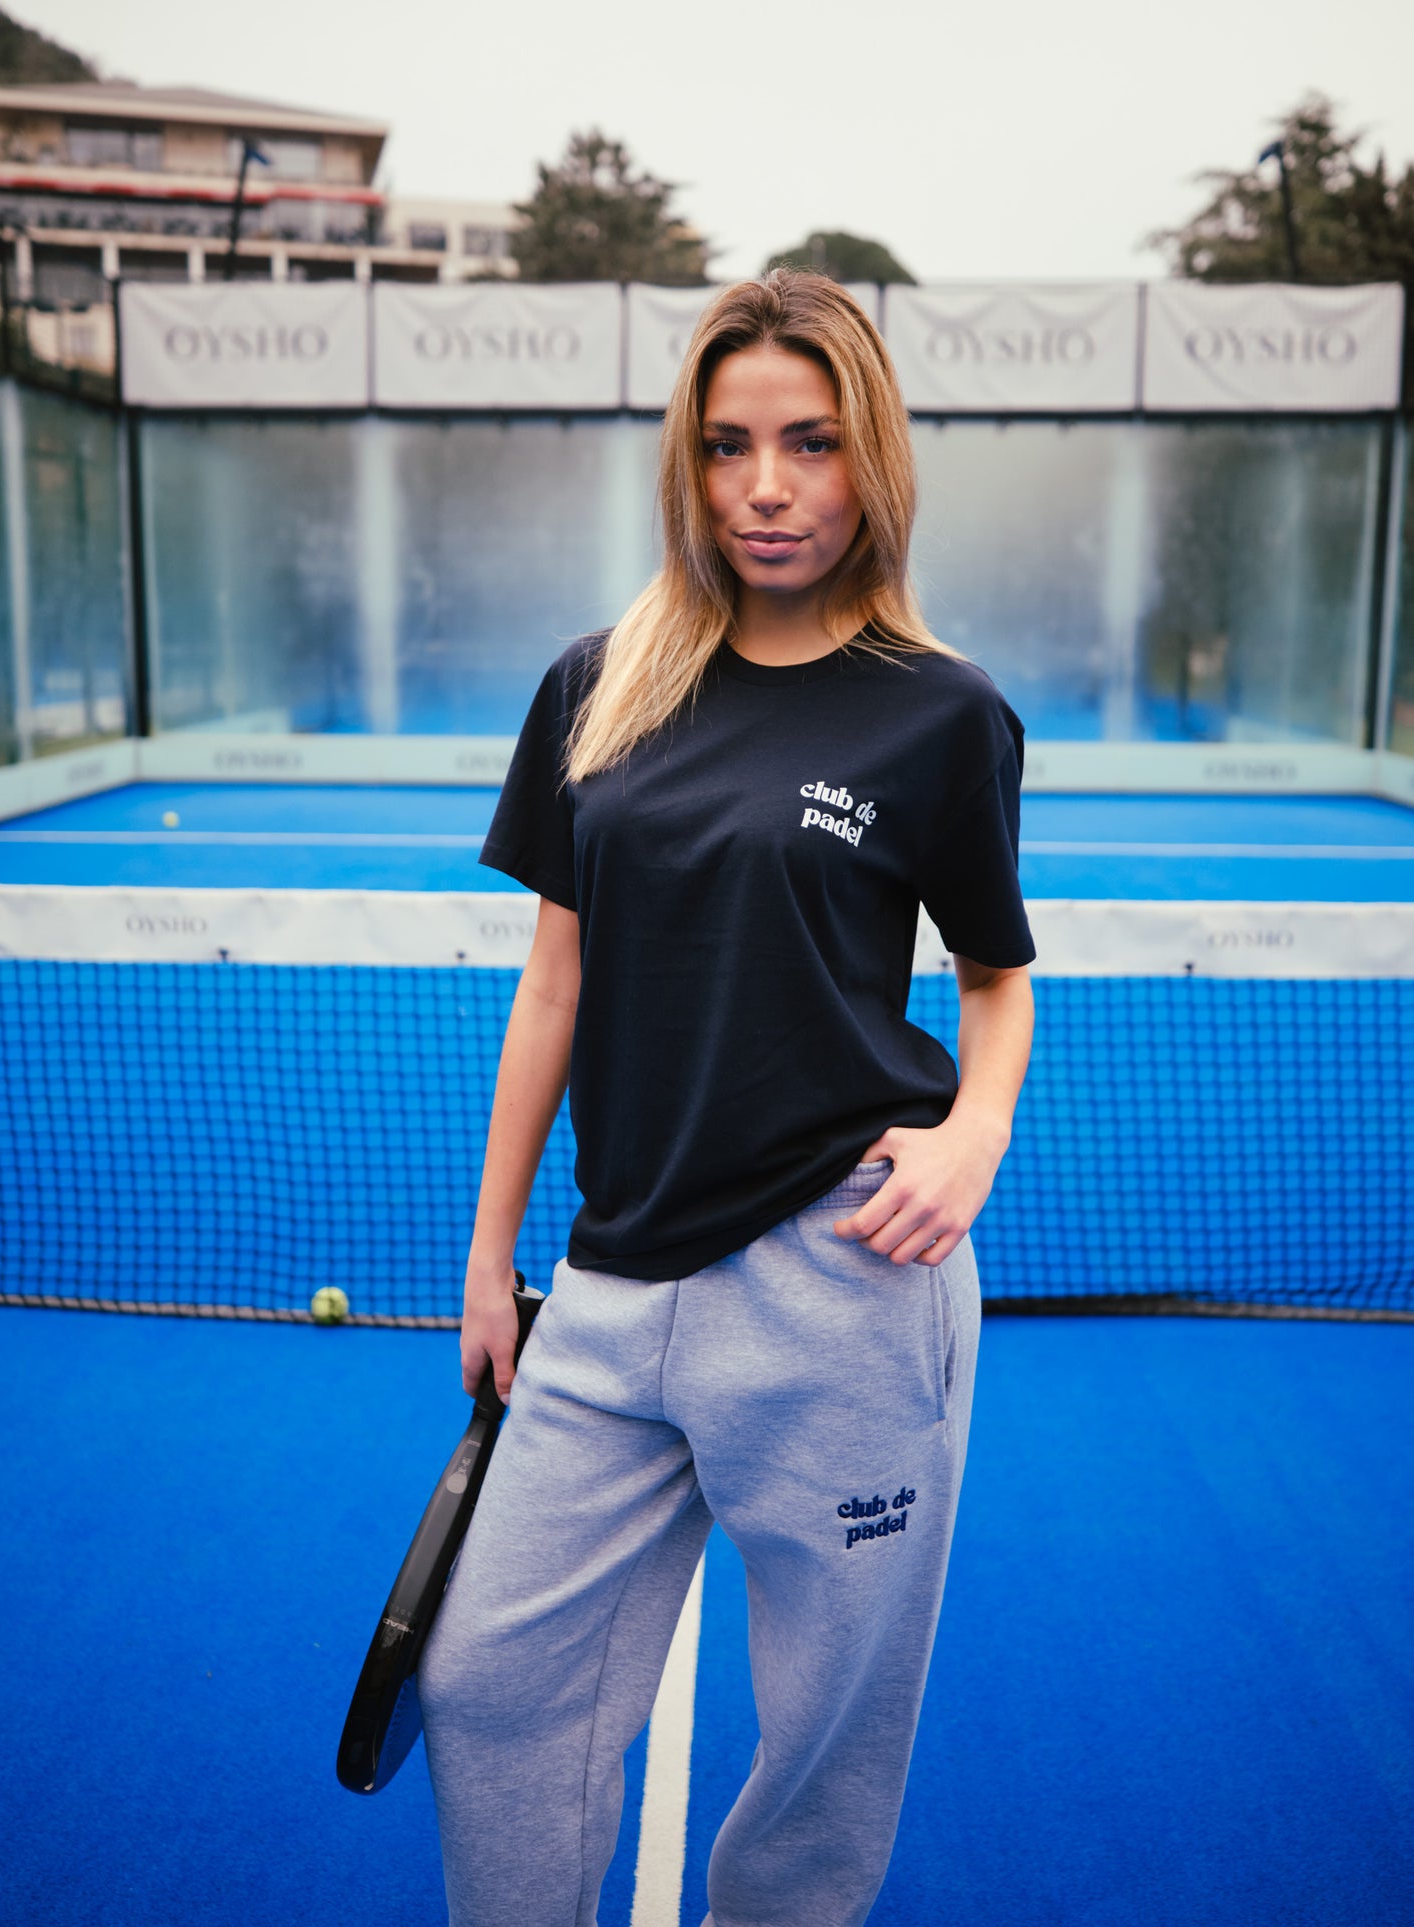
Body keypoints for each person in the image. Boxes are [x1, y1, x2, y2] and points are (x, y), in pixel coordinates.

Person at [417, 268, 1036, 1927]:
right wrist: (490, 1262)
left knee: (827, 1748)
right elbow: (554, 987)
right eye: (726, 446)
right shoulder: (594, 684)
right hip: (610, 1286)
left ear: (871, 459)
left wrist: (972, 1135)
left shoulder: (943, 712)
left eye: (810, 443)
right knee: (484, 1687)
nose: (766, 487)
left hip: (845, 1283)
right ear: (684, 465)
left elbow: (994, 976)